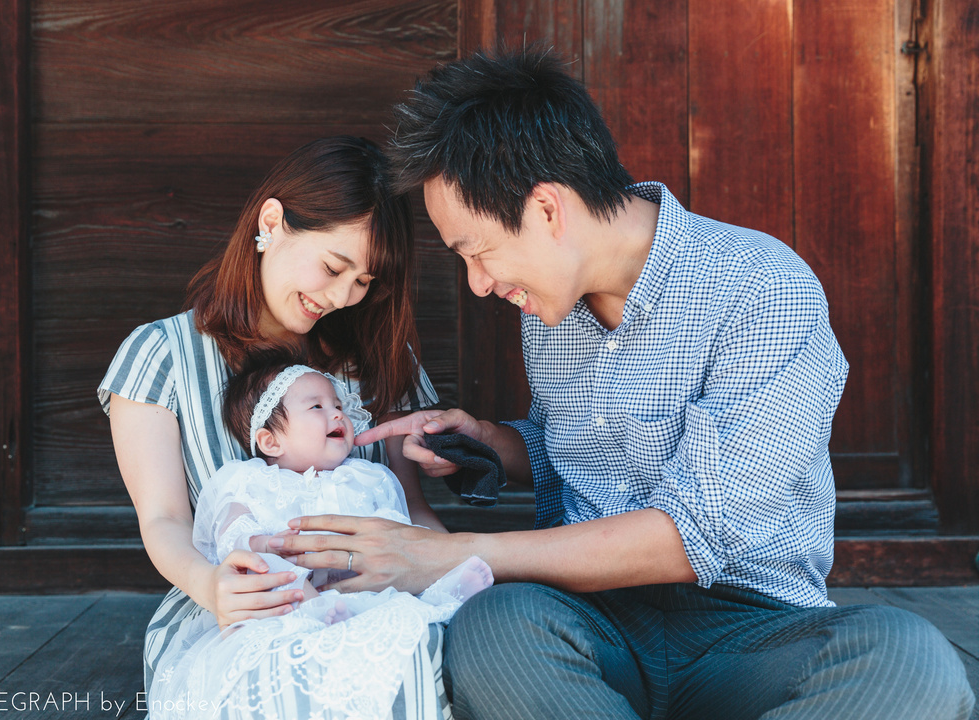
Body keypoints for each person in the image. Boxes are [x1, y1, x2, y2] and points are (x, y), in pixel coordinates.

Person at [270, 50, 976, 719]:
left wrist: (446, 553)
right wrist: (493, 444)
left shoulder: (764, 290)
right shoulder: (548, 310)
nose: (479, 283)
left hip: (748, 632)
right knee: (493, 629)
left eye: (477, 251)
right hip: (591, 623)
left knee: (909, 662)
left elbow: (693, 537)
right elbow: (572, 453)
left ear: (548, 210)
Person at [98, 135, 460, 719]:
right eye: (334, 267)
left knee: (439, 656)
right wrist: (213, 585)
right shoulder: (160, 355)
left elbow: (410, 514)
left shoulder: (372, 356)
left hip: (381, 599)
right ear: (273, 222)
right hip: (241, 605)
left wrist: (457, 579)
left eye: (364, 281)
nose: (343, 297)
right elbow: (164, 520)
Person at [147, 349, 492, 719]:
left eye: (338, 404)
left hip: (366, 579)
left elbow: (398, 525)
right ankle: (314, 613)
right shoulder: (249, 480)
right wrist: (261, 543)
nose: (337, 413)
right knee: (265, 571)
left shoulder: (366, 476)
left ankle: (447, 589)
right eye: (316, 407)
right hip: (292, 579)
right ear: (270, 442)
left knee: (405, 570)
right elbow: (232, 532)